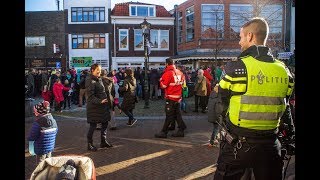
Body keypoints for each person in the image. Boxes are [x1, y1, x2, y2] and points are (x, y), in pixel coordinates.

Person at [213, 17, 295, 180]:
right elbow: (285, 107)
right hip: (271, 145)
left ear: (250, 36)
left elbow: (220, 104)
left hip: (238, 145)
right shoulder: (285, 71)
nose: (239, 42)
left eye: (241, 37)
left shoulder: (236, 68)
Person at [154, 58, 187, 138]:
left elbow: (163, 86)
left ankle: (164, 132)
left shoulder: (168, 73)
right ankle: (180, 128)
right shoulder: (180, 72)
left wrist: (160, 80)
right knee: (177, 114)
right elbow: (183, 84)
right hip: (178, 97)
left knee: (169, 115)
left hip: (171, 98)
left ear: (166, 64)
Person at [85, 64, 113, 151]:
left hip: (102, 107)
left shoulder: (98, 78)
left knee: (105, 123)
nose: (99, 71)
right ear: (92, 70)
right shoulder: (90, 80)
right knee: (93, 126)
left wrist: (109, 80)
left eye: (100, 70)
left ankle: (103, 142)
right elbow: (90, 96)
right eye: (97, 70)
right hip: (94, 108)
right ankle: (90, 144)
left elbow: (103, 84)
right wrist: (100, 101)